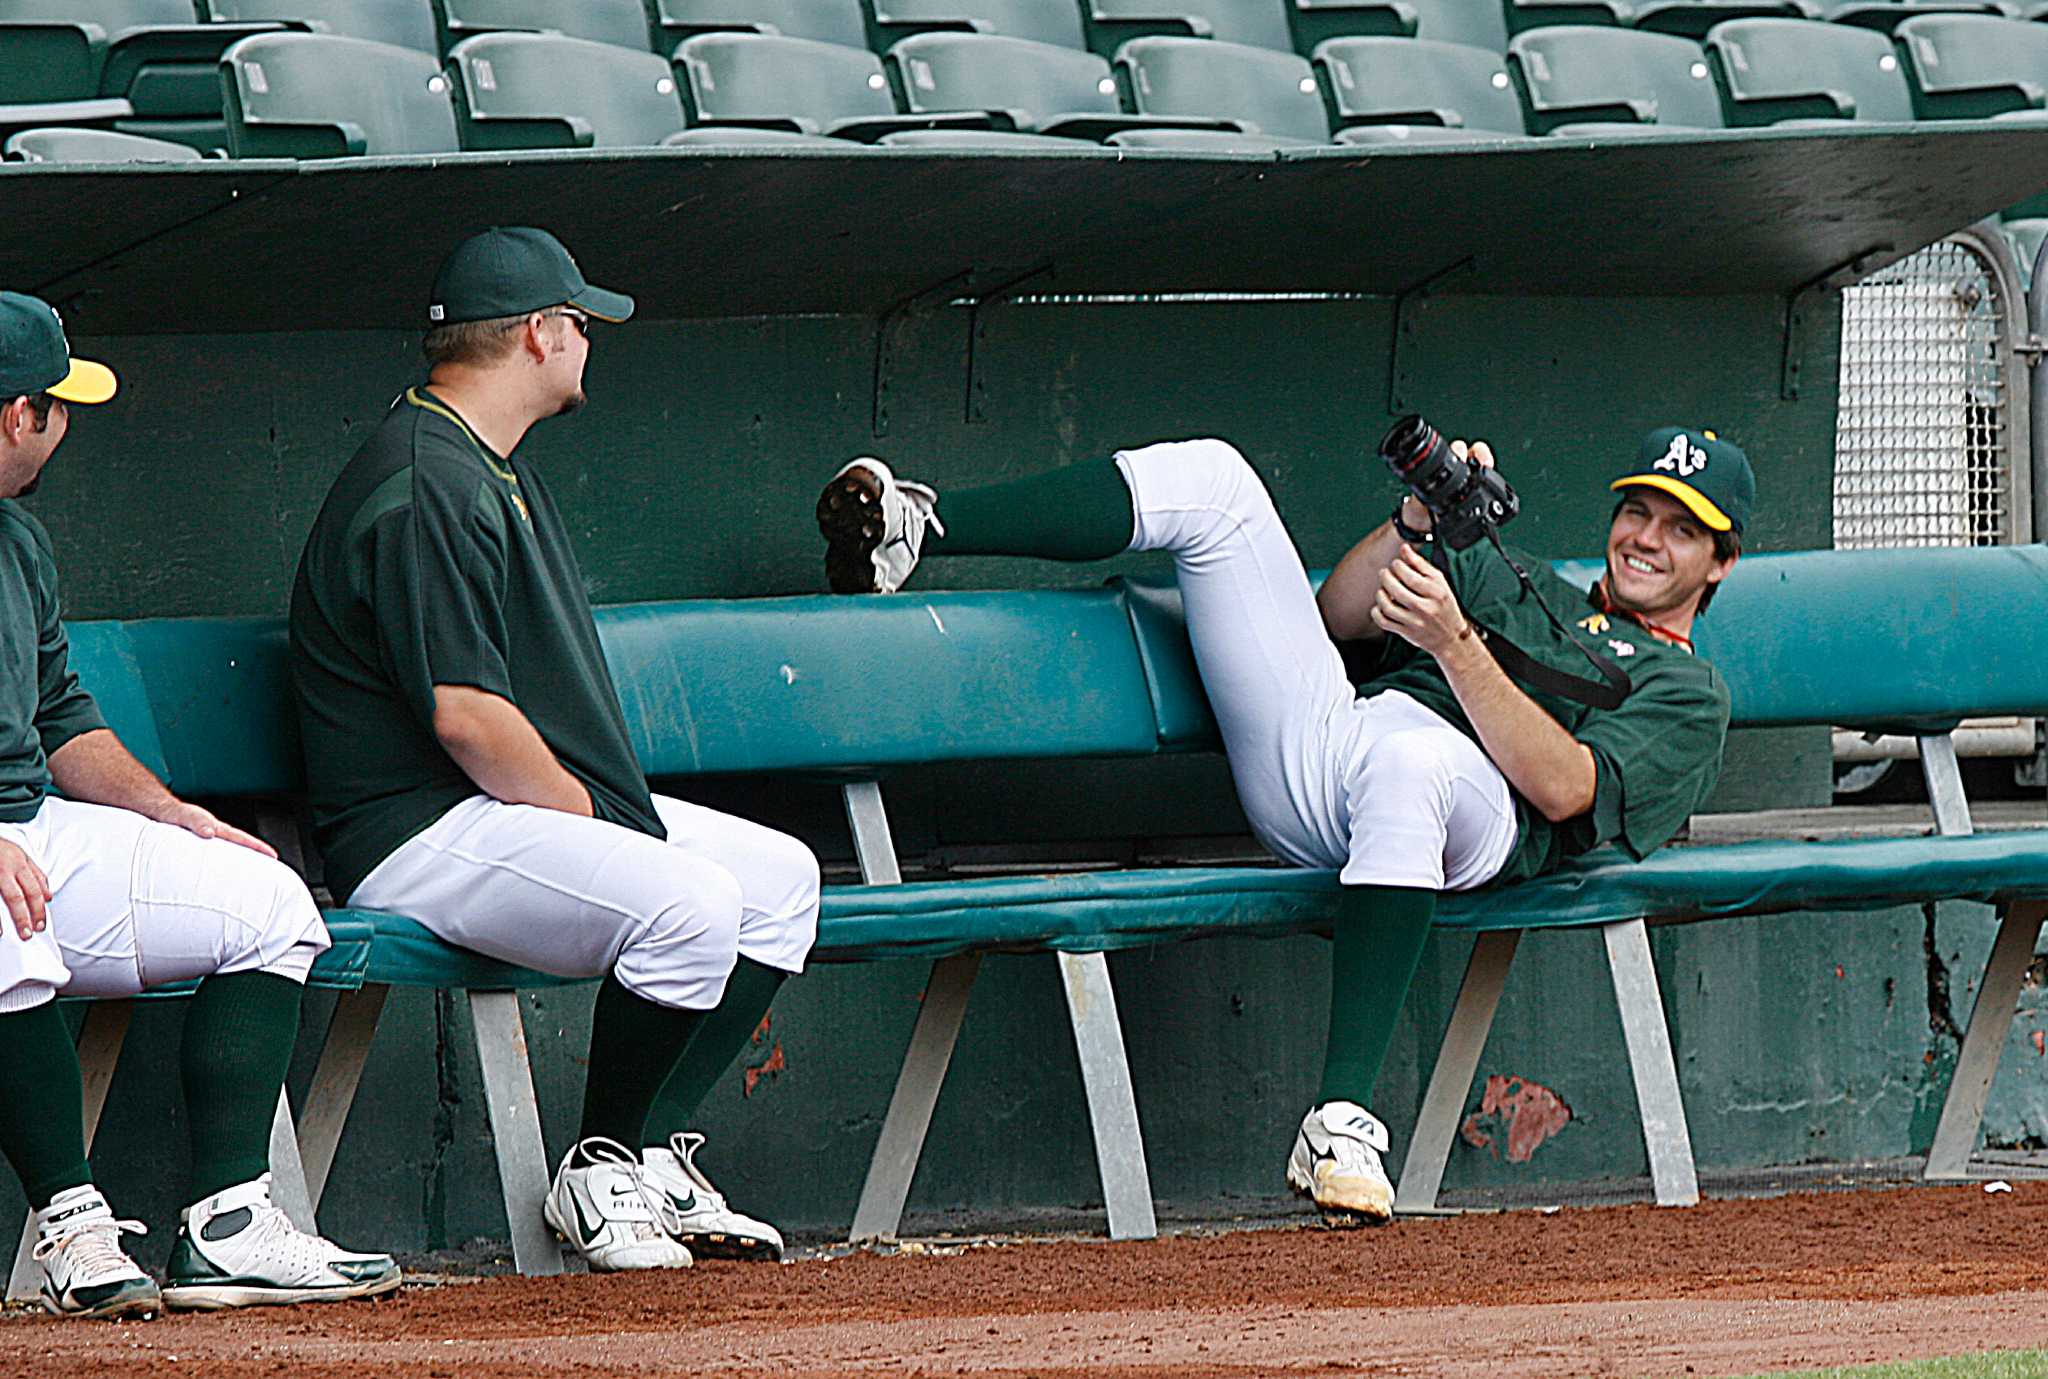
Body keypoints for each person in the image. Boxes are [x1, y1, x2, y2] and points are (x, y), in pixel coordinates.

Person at [815, 425, 1750, 1225]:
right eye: (1641, 511)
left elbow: (1565, 787)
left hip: (1476, 816)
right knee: (1217, 480)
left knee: (1413, 763)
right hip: (1333, 755)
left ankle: (1340, 1122)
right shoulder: (1524, 578)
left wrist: (1456, 645)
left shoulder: (1690, 691)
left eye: (1681, 528)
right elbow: (1338, 612)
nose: (1647, 538)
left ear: (1722, 560)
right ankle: (915, 526)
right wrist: (1418, 520)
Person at [290, 229, 819, 1271]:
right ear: (537, 333)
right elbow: (465, 717)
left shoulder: (476, 459)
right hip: (415, 827)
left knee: (779, 880)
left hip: (485, 807)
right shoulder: (425, 477)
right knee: (687, 901)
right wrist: (590, 818)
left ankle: (654, 1150)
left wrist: (598, 814)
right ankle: (599, 1163)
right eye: (580, 323)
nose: (588, 341)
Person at [0, 291, 399, 1317]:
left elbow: (60, 713)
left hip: (27, 825)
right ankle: (71, 1220)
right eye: (57, 404)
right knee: (6, 925)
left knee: (263, 898)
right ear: (16, 414)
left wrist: (165, 809)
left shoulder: (18, 541)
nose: (65, 423)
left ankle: (229, 1226)